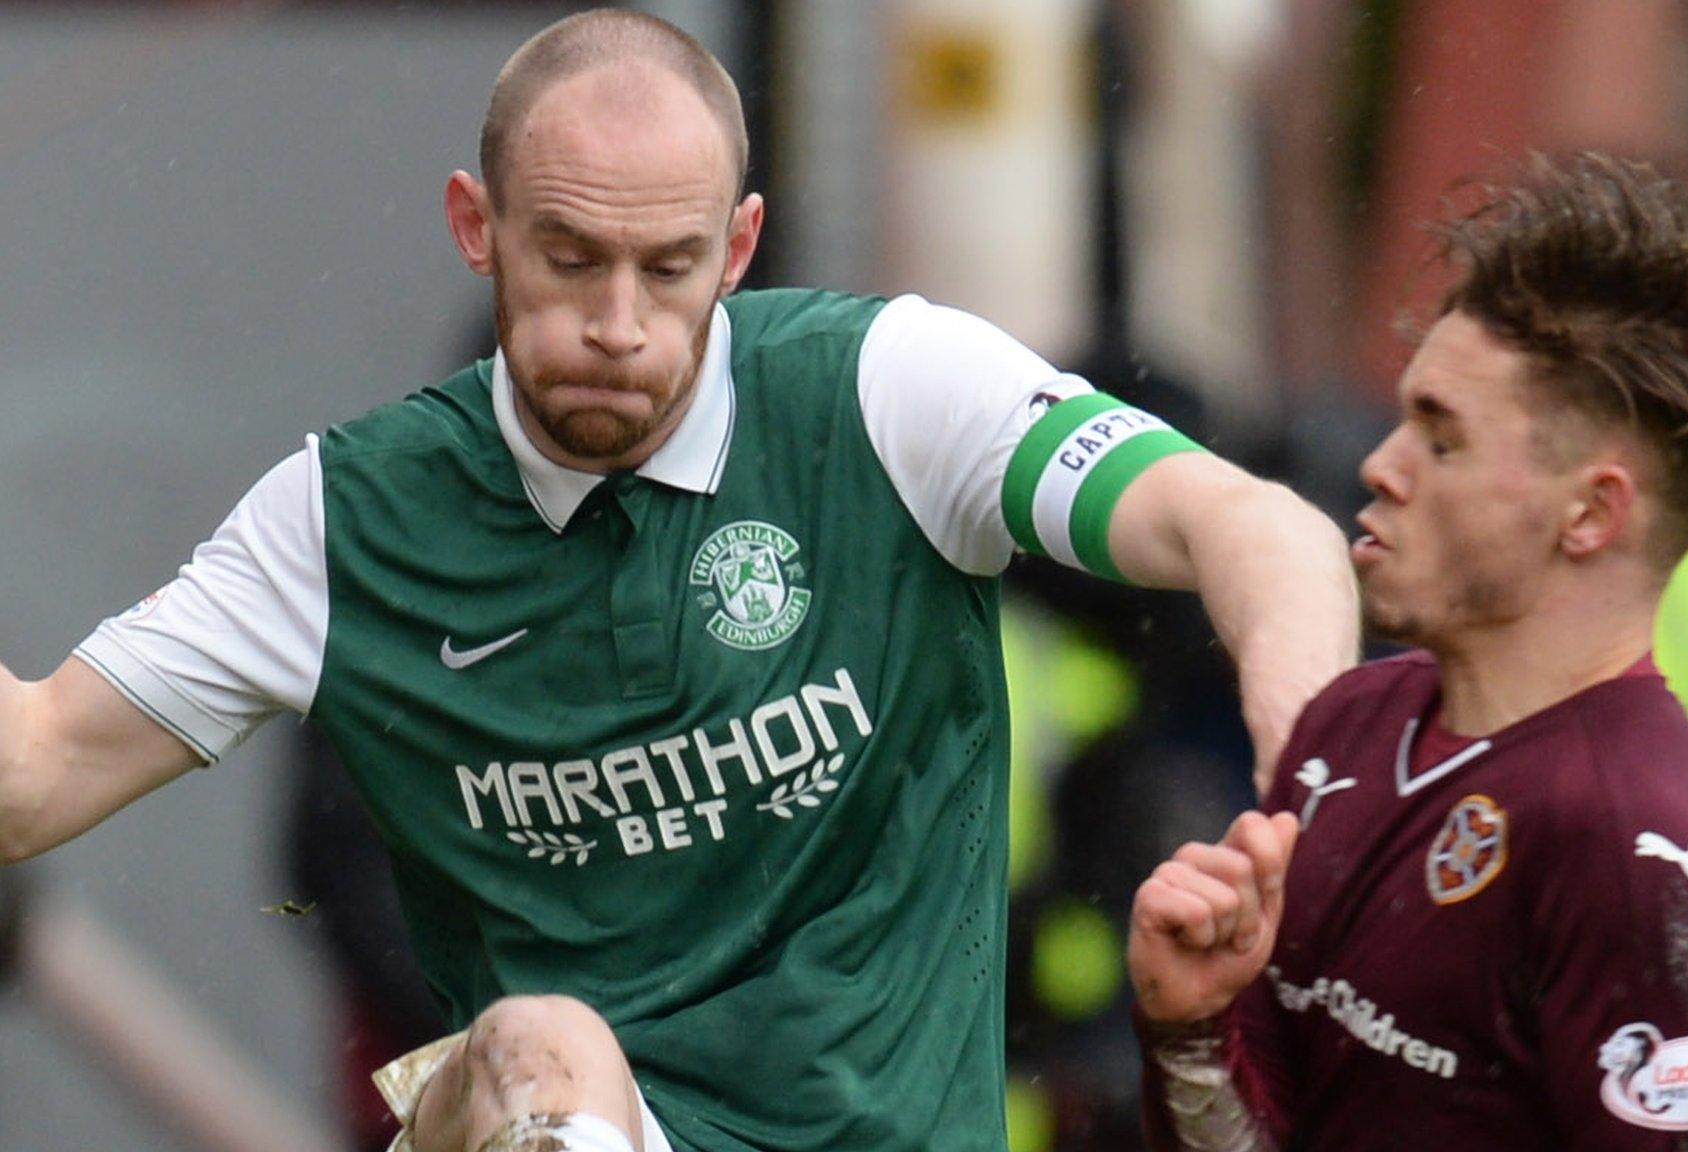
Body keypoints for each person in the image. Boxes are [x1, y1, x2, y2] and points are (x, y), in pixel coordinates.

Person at [0, 10, 1360, 1152]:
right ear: (477, 227)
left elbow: (1257, 530)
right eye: (570, 260)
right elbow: (40, 763)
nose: (617, 327)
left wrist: (1312, 792)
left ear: (741, 245)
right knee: (542, 1047)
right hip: (551, 1115)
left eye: (669, 270)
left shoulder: (887, 392)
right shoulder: (344, 520)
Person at [1126, 152, 1688, 1150]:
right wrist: (1190, 1029)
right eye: (1402, 419)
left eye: (1440, 441)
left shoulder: (1629, 854)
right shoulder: (1350, 724)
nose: (1377, 465)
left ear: (1589, 511)